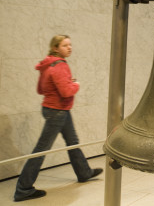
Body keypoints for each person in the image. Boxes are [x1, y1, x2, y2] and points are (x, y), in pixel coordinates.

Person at [13, 35, 102, 202]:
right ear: (55, 48)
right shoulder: (60, 65)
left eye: (70, 45)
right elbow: (67, 92)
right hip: (58, 111)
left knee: (73, 142)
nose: (69, 48)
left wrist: (66, 83)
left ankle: (84, 172)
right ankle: (23, 189)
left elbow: (41, 89)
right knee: (41, 150)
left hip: (52, 108)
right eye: (65, 45)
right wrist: (75, 84)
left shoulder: (47, 64)